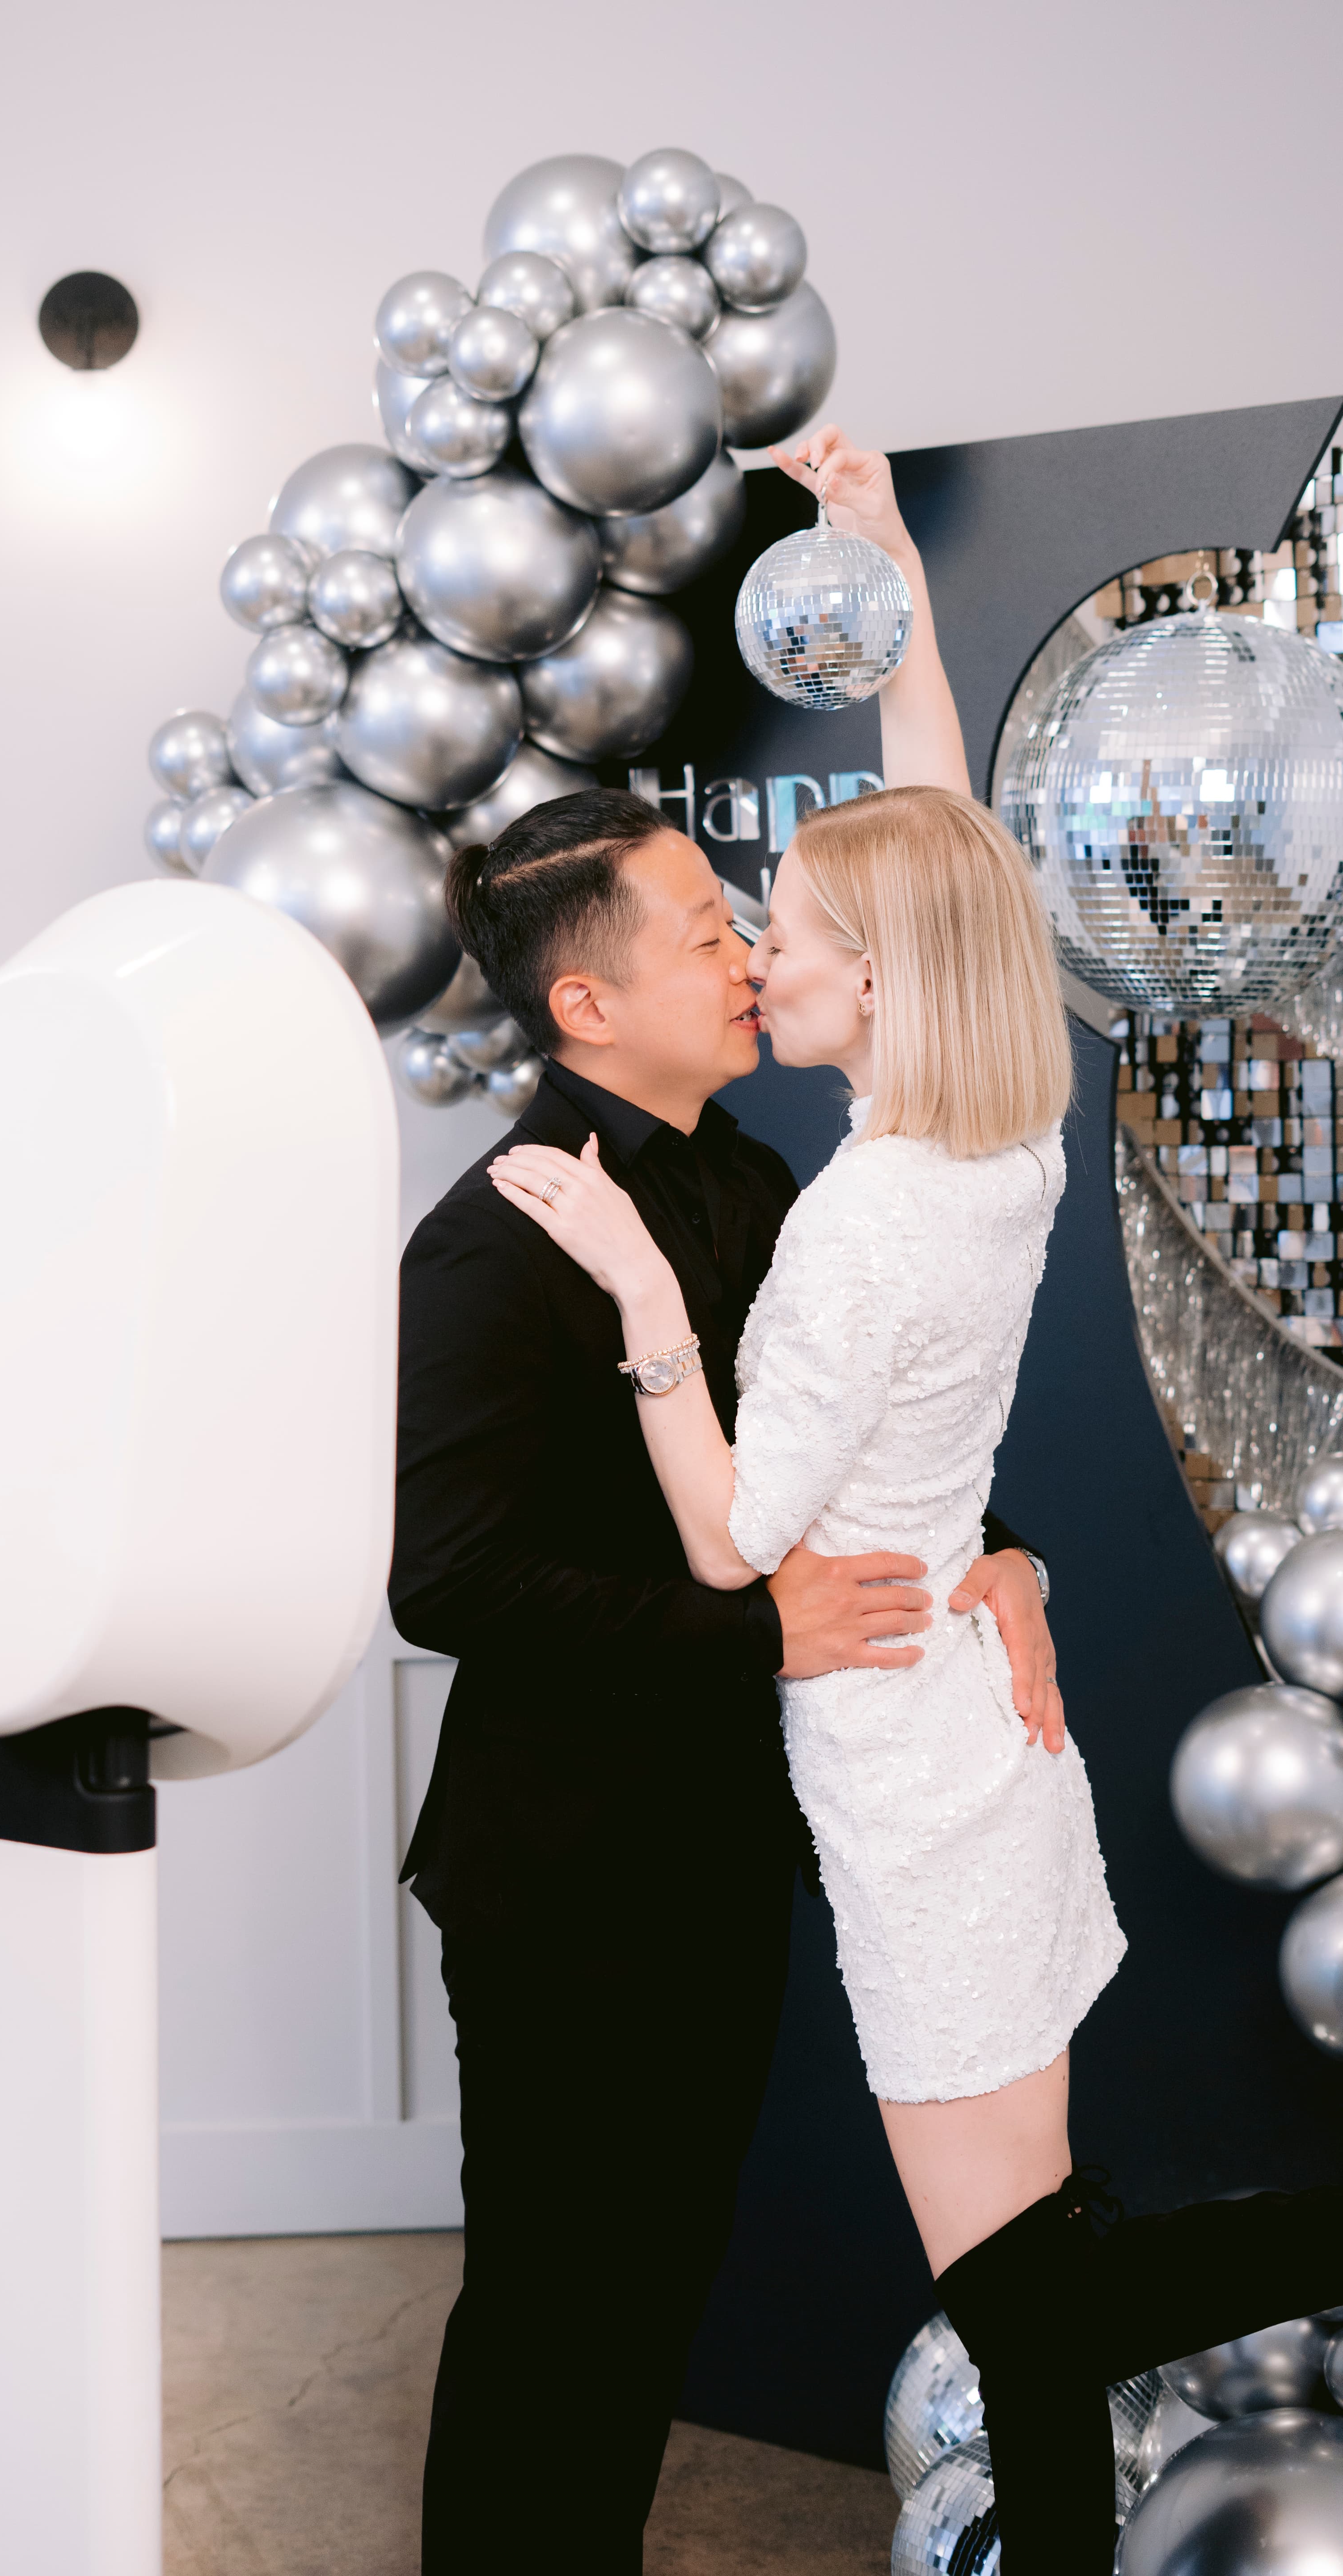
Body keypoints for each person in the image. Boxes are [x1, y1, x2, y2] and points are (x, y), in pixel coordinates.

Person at [487, 446, 1343, 2576]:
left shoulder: (871, 1223)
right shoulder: (1001, 1153)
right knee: (1044, 2304)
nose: (758, 956)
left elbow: (724, 1541)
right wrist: (889, 587)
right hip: (982, 1735)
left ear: (870, 975)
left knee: (1020, 2302)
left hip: (912, 1775)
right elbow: (949, 846)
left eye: (782, 933)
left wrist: (640, 1306)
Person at [391, 428, 1063, 2575]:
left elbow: (880, 1424)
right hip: (566, 1867)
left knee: (651, 2304)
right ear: (591, 1001)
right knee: (555, 2321)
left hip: (718, 1845)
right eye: (711, 930)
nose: (752, 955)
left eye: (759, 923)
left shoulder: (769, 1181)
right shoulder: (493, 1243)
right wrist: (746, 1629)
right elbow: (452, 1577)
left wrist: (1007, 1553)